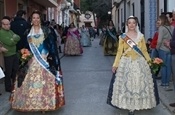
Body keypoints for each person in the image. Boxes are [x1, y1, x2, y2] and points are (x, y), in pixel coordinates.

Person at [10, 10, 65, 112]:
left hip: (44, 61)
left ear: (40, 19)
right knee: (28, 83)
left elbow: (52, 46)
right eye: (33, 18)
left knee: (45, 83)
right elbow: (25, 47)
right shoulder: (27, 32)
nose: (35, 20)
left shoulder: (46, 30)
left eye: (37, 18)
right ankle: (29, 104)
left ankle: (45, 104)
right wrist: (25, 54)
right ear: (31, 20)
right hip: (31, 61)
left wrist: (49, 56)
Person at [107, 16, 159, 115]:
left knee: (140, 83)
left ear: (136, 24)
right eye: (129, 23)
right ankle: (130, 106)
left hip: (139, 62)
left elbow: (144, 51)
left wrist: (149, 62)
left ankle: (138, 104)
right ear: (127, 25)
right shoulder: (122, 37)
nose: (131, 25)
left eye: (133, 23)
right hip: (126, 62)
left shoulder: (141, 36)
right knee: (127, 84)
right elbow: (119, 52)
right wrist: (115, 65)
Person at [0, 16, 20, 93]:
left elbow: (18, 37)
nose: (9, 25)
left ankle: (14, 85)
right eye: (7, 24)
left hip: (14, 53)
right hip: (7, 55)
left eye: (9, 24)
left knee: (15, 70)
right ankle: (8, 87)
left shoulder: (10, 31)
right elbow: (10, 43)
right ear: (3, 25)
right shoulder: (1, 33)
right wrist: (13, 40)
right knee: (8, 72)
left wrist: (13, 39)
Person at [156, 14, 174, 88]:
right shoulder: (172, 27)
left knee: (163, 66)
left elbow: (159, 40)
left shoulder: (161, 28)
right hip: (170, 49)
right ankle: (167, 83)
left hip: (163, 49)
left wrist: (157, 48)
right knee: (168, 66)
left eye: (159, 20)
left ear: (162, 20)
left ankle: (164, 82)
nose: (158, 21)